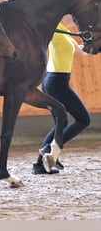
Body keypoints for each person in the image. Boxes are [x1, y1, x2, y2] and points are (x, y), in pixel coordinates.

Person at [32, 15, 91, 174]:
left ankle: (39, 165)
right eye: (71, 14)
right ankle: (50, 149)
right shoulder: (55, 28)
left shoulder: (65, 32)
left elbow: (82, 52)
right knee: (83, 119)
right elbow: (43, 33)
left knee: (61, 124)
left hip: (57, 81)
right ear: (63, 14)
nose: (74, 17)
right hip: (56, 83)